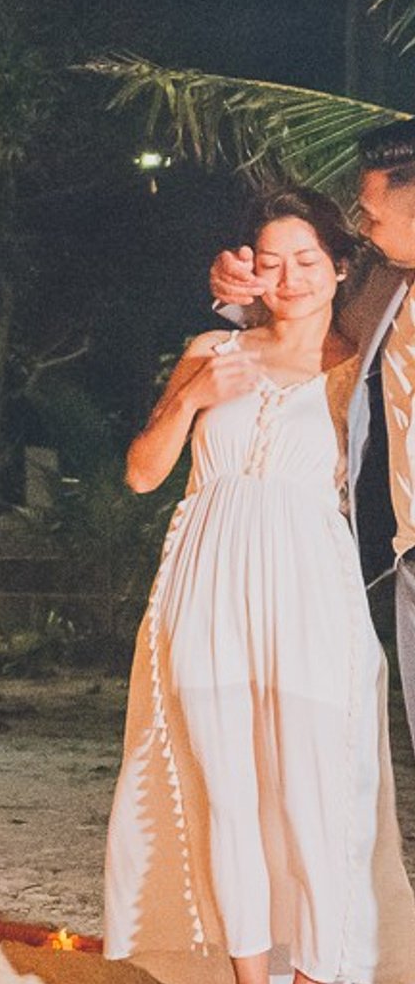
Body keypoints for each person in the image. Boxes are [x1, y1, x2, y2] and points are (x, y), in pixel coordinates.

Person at [111, 188, 415, 984]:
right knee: (228, 796)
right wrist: (191, 393)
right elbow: (141, 473)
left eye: (308, 260)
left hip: (312, 590)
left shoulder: (361, 366)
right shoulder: (213, 351)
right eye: (271, 260)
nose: (288, 278)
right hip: (206, 581)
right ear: (249, 265)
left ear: (342, 268)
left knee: (318, 792)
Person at [210, 118, 415, 760]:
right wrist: (237, 293)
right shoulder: (387, 287)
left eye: (370, 205)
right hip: (407, 557)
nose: (362, 221)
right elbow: (302, 322)